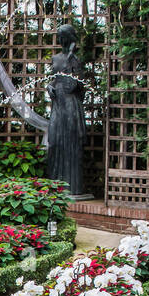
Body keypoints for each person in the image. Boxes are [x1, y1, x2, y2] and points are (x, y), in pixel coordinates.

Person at [46, 23, 86, 195]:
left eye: (63, 36)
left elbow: (77, 84)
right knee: (54, 141)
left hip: (70, 104)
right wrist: (49, 87)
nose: (60, 39)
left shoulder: (76, 60)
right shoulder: (55, 58)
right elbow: (54, 79)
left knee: (71, 142)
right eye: (59, 36)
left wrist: (71, 56)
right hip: (58, 104)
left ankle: (72, 186)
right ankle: (55, 184)